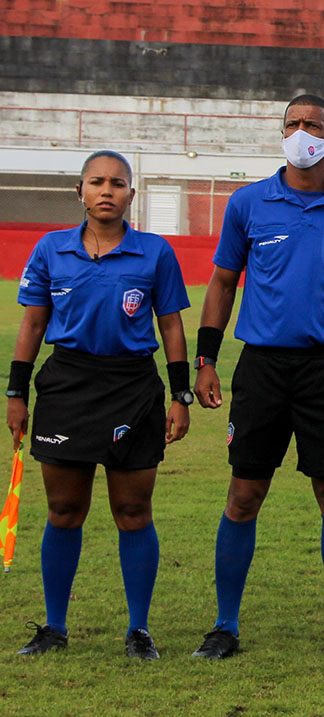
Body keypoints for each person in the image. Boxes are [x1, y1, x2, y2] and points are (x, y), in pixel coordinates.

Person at [190, 94, 324, 661]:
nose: (301, 131)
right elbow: (220, 285)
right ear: (281, 132)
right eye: (293, 123)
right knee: (243, 495)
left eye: (313, 125)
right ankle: (224, 626)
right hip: (260, 368)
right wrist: (206, 360)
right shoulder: (247, 204)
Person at [8, 150, 192, 659]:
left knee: (133, 510)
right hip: (67, 384)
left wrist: (180, 395)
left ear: (132, 194)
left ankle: (139, 630)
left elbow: (171, 324)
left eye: (117, 182)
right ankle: (53, 627)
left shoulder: (154, 253)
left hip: (133, 388)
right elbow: (32, 325)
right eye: (96, 182)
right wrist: (16, 393)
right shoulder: (51, 249)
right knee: (64, 509)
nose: (106, 190)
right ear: (80, 191)